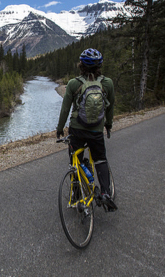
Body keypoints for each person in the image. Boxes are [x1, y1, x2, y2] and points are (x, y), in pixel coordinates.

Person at [56, 48, 117, 211]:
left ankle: (76, 196)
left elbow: (65, 109)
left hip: (77, 130)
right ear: (100, 66)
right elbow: (110, 108)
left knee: (74, 162)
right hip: (96, 131)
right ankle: (105, 193)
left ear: (81, 65)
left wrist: (60, 128)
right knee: (100, 160)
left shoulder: (74, 83)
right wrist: (108, 124)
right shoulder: (107, 83)